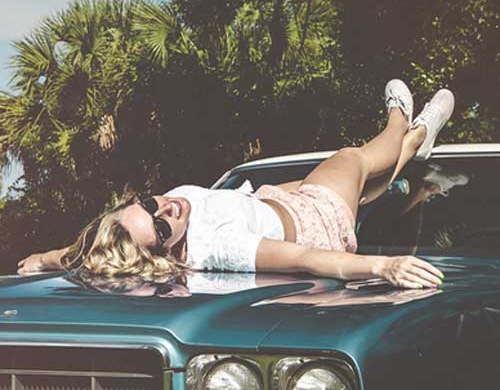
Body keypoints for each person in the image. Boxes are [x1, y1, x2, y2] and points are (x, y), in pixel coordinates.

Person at [17, 79, 454, 289]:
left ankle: (416, 143)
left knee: (365, 187)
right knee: (352, 160)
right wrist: (383, 266)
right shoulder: (219, 245)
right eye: (162, 227)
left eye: (148, 204)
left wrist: (45, 257)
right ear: (165, 252)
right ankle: (404, 123)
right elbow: (304, 259)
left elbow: (85, 250)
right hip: (315, 220)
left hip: (273, 201)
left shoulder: (141, 224)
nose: (166, 208)